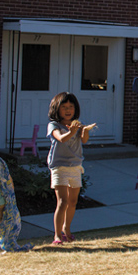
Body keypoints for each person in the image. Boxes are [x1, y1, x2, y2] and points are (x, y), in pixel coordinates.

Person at [47, 92, 94, 245]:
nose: (68, 110)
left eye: (71, 107)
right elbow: (61, 139)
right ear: (56, 109)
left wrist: (84, 131)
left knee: (73, 201)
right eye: (64, 107)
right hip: (59, 167)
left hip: (75, 167)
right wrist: (72, 131)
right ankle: (57, 235)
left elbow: (84, 141)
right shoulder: (53, 125)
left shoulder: (76, 124)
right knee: (62, 201)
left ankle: (67, 230)